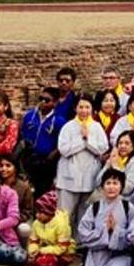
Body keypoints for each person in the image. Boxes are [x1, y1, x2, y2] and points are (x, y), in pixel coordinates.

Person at [55, 95, 109, 227]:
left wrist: (88, 139)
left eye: (87, 107)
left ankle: (81, 243)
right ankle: (63, 241)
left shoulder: (96, 127)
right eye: (81, 107)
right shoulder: (68, 126)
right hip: (69, 175)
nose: (84, 110)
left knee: (85, 213)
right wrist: (82, 140)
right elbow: (64, 149)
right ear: (75, 108)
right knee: (64, 214)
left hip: (90, 175)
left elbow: (102, 148)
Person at [79, 167, 134, 266]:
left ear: (122, 187)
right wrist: (104, 230)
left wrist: (116, 231)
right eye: (108, 183)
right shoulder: (95, 207)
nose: (111, 187)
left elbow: (133, 235)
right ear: (102, 187)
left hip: (119, 256)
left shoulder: (128, 208)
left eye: (115, 183)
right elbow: (83, 232)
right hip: (96, 256)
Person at [20, 86, 65, 196]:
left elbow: (63, 142)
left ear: (55, 103)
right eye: (41, 99)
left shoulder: (59, 121)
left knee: (42, 192)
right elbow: (22, 133)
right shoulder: (30, 116)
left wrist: (54, 154)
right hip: (29, 158)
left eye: (47, 100)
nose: (43, 102)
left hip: (46, 162)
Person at [26, 189, 76, 266]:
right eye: (37, 212)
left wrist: (41, 251)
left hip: (63, 252)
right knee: (29, 261)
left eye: (41, 212)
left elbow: (61, 248)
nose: (37, 215)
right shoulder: (36, 223)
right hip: (45, 249)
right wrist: (33, 251)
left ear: (49, 212)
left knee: (43, 262)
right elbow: (33, 241)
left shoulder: (61, 225)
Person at [97, 130, 134, 199]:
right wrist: (108, 164)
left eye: (127, 143)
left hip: (126, 201)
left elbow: (127, 189)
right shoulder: (115, 158)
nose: (122, 146)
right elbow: (98, 182)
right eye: (120, 143)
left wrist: (115, 166)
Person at [0, 154, 34, 241]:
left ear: (15, 168)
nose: (4, 169)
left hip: (17, 221)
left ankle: (24, 250)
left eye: (8, 166)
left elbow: (28, 211)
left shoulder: (24, 187)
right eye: (1, 166)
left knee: (24, 229)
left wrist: (12, 221)